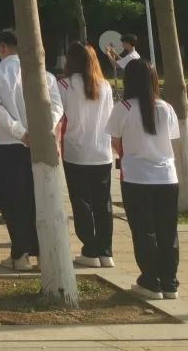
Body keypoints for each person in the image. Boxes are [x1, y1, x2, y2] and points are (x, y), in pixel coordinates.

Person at [0, 28, 63, 271]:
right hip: (39, 144)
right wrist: (41, 130)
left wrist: (20, 132)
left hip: (8, 146)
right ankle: (42, 254)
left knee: (13, 202)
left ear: (2, 47)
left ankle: (20, 254)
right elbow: (57, 107)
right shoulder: (45, 75)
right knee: (38, 200)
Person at [106, 59, 181, 300]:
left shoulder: (123, 108)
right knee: (167, 231)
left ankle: (150, 281)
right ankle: (170, 282)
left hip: (136, 178)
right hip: (167, 177)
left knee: (143, 231)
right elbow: (171, 139)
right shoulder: (166, 108)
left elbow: (115, 142)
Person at [58, 41, 115, 269]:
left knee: (81, 202)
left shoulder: (65, 84)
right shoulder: (105, 85)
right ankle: (106, 251)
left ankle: (90, 249)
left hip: (76, 152)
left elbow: (58, 117)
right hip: (102, 151)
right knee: (103, 203)